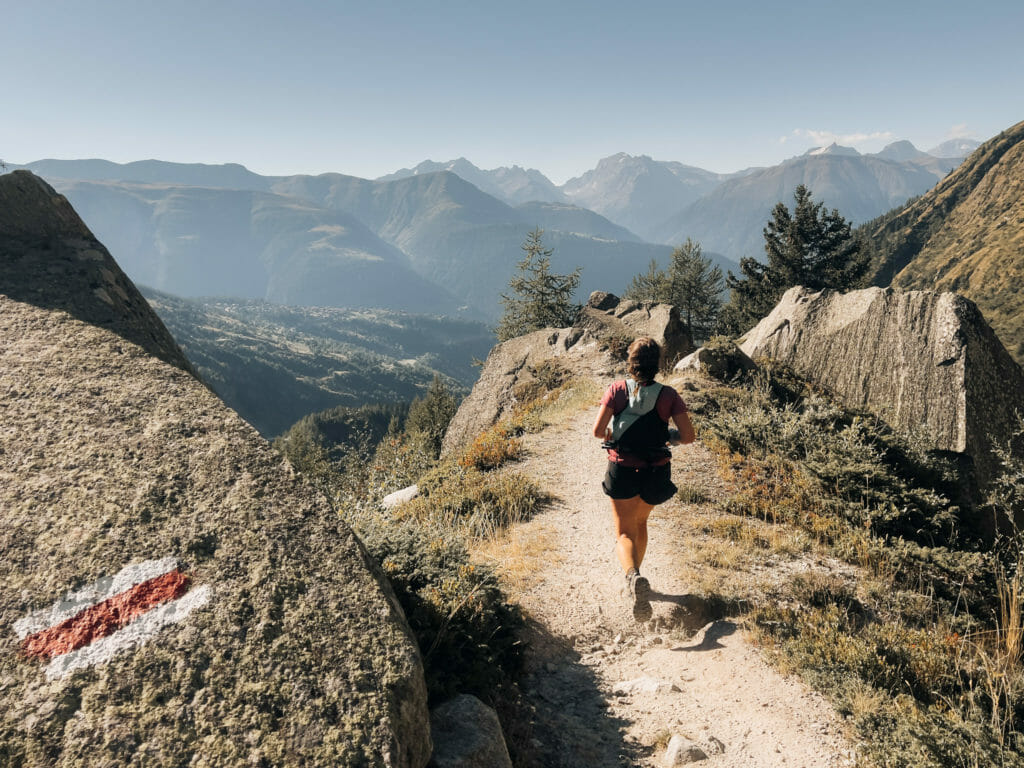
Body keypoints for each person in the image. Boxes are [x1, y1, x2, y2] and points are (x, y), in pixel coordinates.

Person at [592, 337, 695, 620]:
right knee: (641, 521)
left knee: (624, 531)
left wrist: (615, 432)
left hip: (622, 467)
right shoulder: (669, 395)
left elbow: (598, 431)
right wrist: (667, 437)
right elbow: (688, 437)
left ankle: (632, 577)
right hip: (655, 470)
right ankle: (637, 576)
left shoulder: (616, 390)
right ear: (657, 364)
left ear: (632, 363)